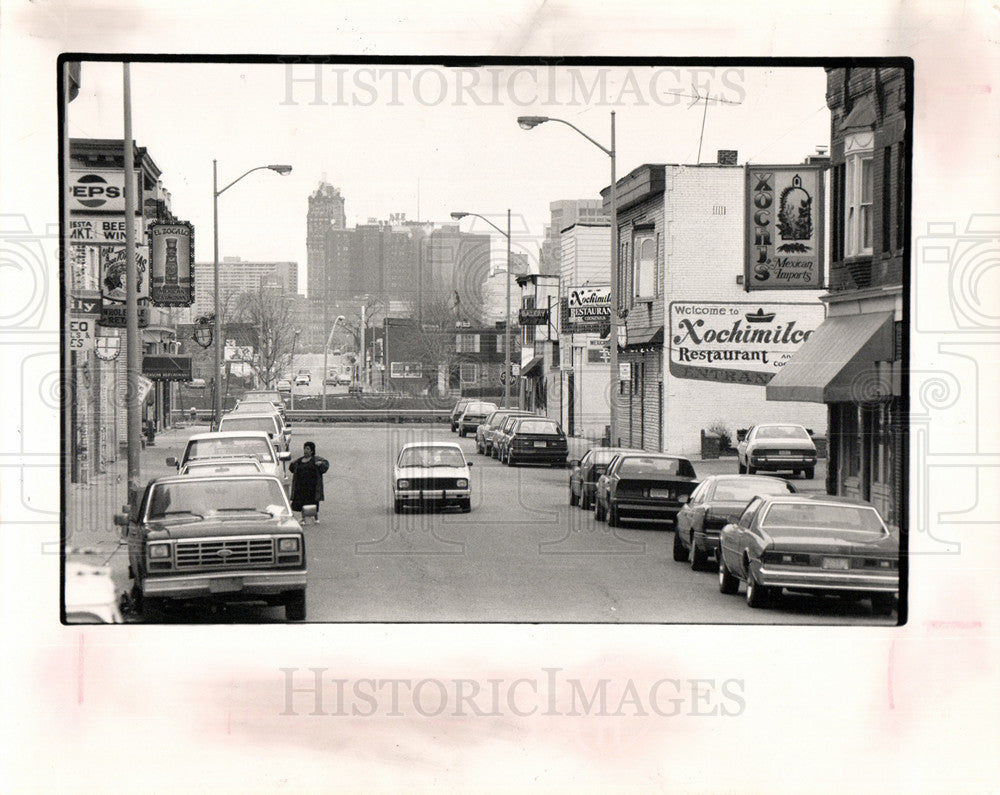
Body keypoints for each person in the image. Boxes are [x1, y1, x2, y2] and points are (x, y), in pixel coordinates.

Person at [288, 441, 329, 521]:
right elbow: (292, 469)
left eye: (308, 449)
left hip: (313, 486)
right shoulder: (299, 461)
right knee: (302, 502)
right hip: (301, 485)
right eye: (305, 448)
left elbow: (325, 465)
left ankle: (316, 518)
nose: (305, 451)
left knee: (313, 502)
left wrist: (321, 464)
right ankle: (303, 518)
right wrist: (292, 464)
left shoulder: (316, 460)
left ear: (312, 451)